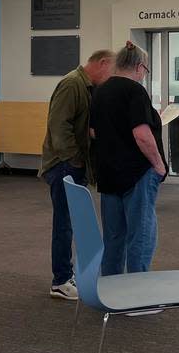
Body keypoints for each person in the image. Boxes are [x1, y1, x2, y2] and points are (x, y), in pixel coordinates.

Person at [39, 49, 116, 300]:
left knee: (70, 223)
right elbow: (58, 126)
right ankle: (60, 280)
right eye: (112, 70)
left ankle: (65, 276)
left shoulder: (85, 86)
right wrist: (74, 160)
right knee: (64, 224)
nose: (112, 76)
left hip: (70, 164)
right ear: (103, 63)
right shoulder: (72, 84)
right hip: (64, 165)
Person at [90, 42, 167, 275]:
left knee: (114, 236)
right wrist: (158, 164)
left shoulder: (100, 90)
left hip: (109, 172)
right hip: (136, 174)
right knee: (140, 235)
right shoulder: (135, 91)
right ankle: (137, 294)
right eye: (146, 70)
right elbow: (141, 134)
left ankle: (112, 288)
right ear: (140, 67)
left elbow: (93, 131)